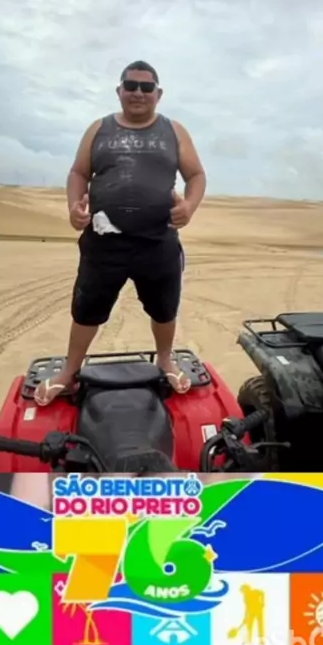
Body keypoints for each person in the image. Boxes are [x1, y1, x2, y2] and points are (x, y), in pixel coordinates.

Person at [35, 60, 206, 405]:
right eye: (131, 86)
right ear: (119, 91)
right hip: (103, 243)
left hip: (157, 242)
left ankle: (165, 359)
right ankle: (70, 371)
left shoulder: (174, 131)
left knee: (164, 308)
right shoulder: (99, 129)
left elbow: (196, 175)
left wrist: (189, 206)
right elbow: (78, 173)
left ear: (158, 93)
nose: (138, 93)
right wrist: (74, 206)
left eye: (146, 87)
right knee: (87, 309)